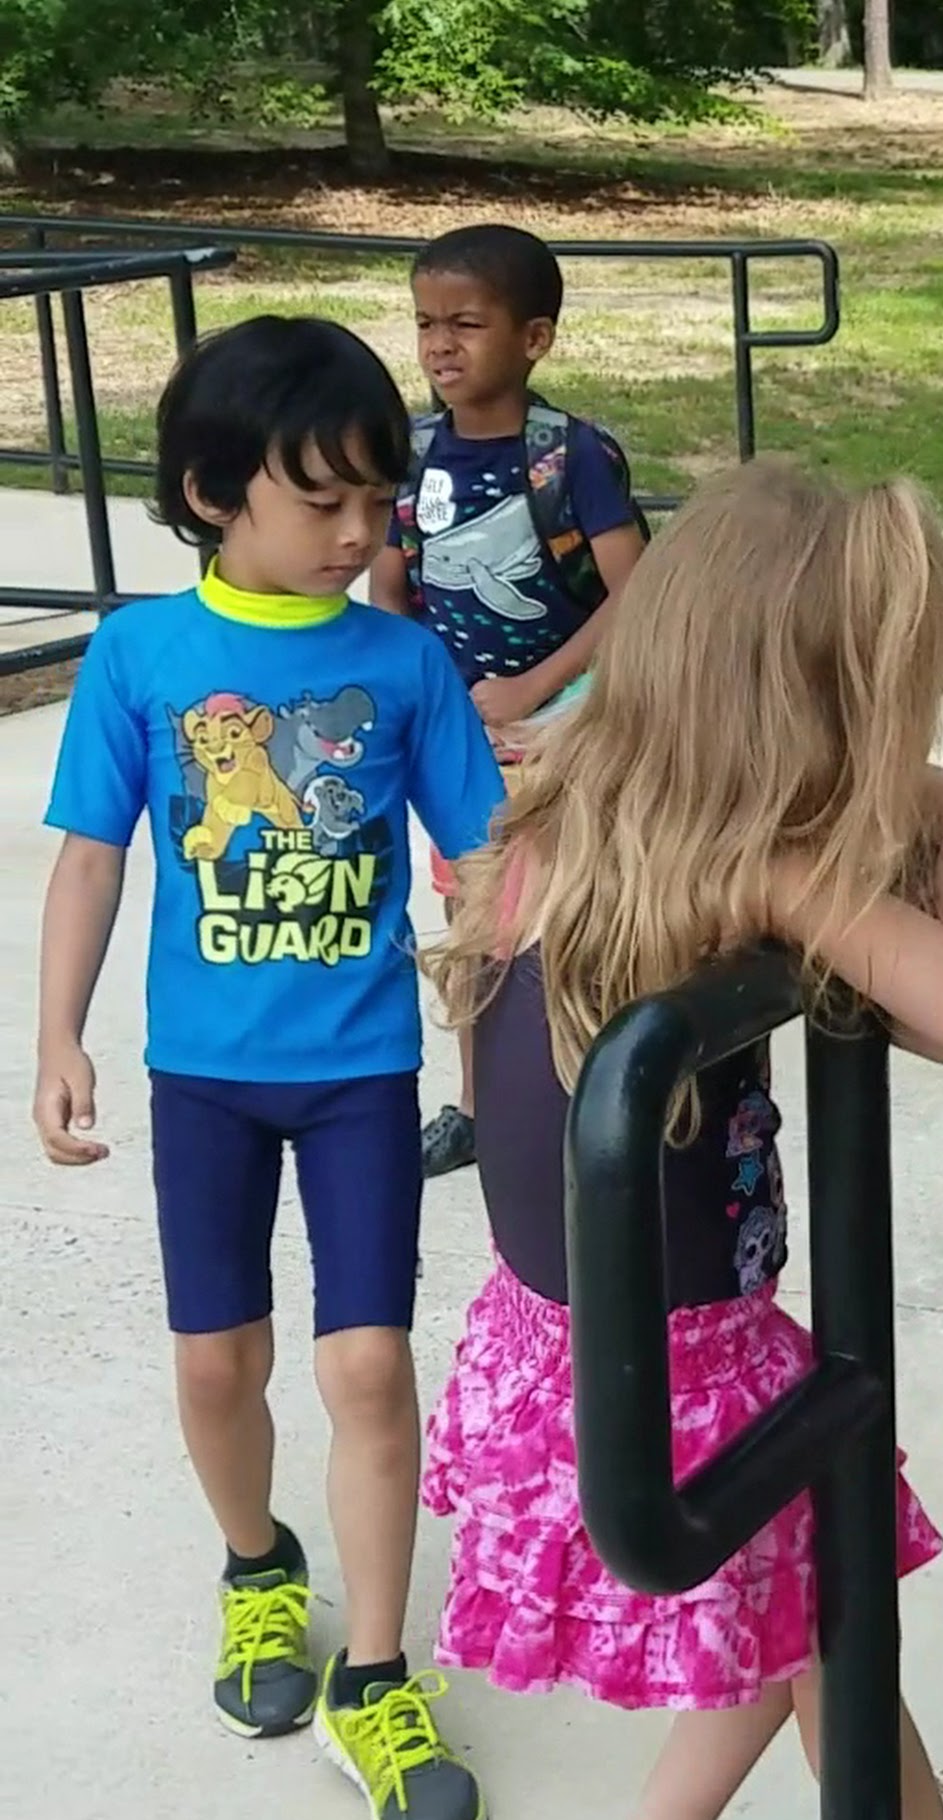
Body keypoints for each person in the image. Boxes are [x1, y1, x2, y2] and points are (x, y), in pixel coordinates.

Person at [420, 460, 943, 1820]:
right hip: (683, 1365)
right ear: (822, 711)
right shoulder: (759, 867)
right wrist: (908, 858)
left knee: (821, 1583)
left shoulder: (571, 797)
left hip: (541, 1350)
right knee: (819, 1582)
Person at [34, 317, 503, 1820]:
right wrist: (58, 1036)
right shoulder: (142, 657)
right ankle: (257, 1573)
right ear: (213, 491)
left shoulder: (407, 663)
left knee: (367, 1367)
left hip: (361, 1072)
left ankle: (375, 1672)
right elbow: (94, 852)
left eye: (381, 499)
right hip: (205, 1083)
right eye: (325, 502)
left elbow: (483, 863)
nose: (361, 532)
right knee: (214, 1365)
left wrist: (519, 1012)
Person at [372, 221, 649, 1182]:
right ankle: (481, 1108)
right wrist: (430, 699)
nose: (440, 346)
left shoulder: (569, 458)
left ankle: (592, 1090)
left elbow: (639, 594)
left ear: (533, 338)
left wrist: (536, 687)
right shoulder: (404, 458)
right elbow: (392, 592)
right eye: (424, 325)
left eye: (466, 324)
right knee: (476, 915)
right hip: (462, 739)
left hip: (574, 730)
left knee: (581, 908)